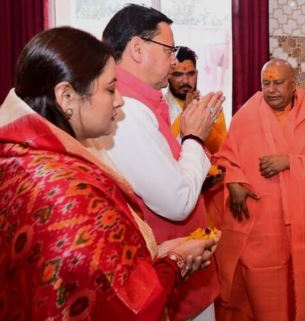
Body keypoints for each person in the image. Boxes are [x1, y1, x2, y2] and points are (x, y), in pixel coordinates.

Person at [0, 26, 220, 320]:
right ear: (66, 96)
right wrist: (176, 261)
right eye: (109, 89)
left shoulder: (21, 155)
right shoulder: (65, 191)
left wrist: (154, 252)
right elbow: (122, 306)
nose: (119, 101)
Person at [87, 4, 224, 321]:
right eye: (168, 50)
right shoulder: (128, 111)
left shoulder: (142, 103)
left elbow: (165, 171)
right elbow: (177, 202)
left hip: (178, 266)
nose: (174, 61)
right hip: (166, 274)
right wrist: (194, 137)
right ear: (137, 48)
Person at [214, 59, 305, 321]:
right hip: (259, 231)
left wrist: (290, 162)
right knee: (259, 300)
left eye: (278, 83)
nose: (271, 89)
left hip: (303, 230)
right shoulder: (246, 116)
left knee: (299, 294)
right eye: (266, 83)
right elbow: (225, 159)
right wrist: (234, 182)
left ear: (293, 84)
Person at [164, 46, 227, 154]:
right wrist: (187, 112)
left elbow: (222, 151)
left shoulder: (211, 105)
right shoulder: (159, 107)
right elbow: (165, 150)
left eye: (190, 74)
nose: (185, 81)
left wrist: (205, 118)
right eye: (178, 74)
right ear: (169, 75)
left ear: (196, 74)